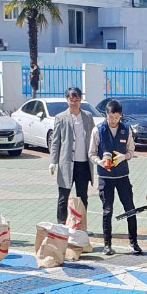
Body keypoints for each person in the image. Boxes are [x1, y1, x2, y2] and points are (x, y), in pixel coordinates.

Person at [90, 100, 140, 256]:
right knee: (107, 210)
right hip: (105, 177)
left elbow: (131, 150)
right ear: (106, 115)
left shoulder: (126, 129)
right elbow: (91, 153)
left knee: (130, 209)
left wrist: (124, 157)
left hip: (123, 175)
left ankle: (134, 242)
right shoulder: (98, 130)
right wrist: (100, 162)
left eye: (116, 118)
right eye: (111, 117)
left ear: (120, 116)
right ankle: (107, 244)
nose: (113, 121)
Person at [50, 87, 95, 225]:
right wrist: (53, 161)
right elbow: (55, 141)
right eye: (71, 99)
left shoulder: (87, 117)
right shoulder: (61, 118)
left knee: (82, 198)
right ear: (67, 100)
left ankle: (81, 225)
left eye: (77, 99)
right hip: (67, 164)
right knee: (63, 197)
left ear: (81, 100)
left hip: (83, 164)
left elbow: (93, 138)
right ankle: (61, 225)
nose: (74, 102)